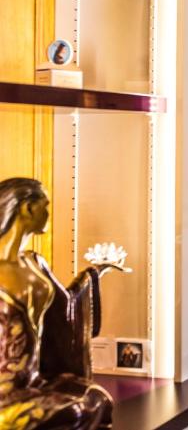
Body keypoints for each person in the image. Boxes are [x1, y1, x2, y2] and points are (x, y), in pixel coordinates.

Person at [0, 178, 119, 429]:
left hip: (35, 381)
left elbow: (67, 305)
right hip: (5, 393)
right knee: (76, 410)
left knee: (97, 398)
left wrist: (96, 272)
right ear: (27, 208)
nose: (48, 213)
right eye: (45, 206)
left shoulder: (35, 264)